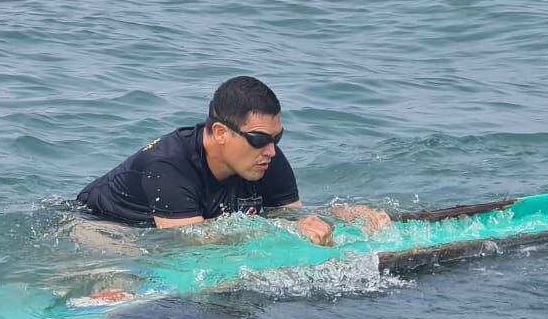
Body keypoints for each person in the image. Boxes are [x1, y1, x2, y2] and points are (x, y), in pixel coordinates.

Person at [76, 76, 390, 247]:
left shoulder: (267, 157)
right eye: (258, 140)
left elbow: (293, 216)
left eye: (276, 139)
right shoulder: (168, 166)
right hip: (97, 227)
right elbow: (187, 241)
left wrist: (344, 215)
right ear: (220, 132)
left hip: (175, 227)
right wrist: (284, 231)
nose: (270, 150)